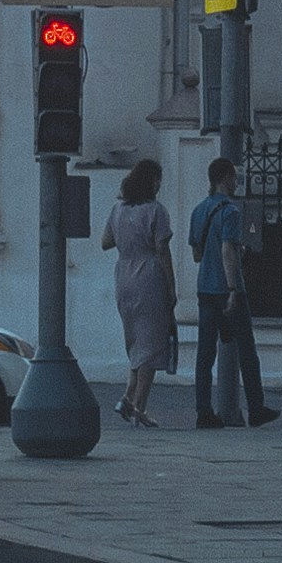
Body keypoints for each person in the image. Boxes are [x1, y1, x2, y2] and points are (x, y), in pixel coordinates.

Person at [187, 154, 278, 426]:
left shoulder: (198, 211)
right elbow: (228, 251)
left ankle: (203, 411)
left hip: (204, 287)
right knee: (246, 350)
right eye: (234, 177)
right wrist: (232, 289)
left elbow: (196, 255)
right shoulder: (230, 211)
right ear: (224, 178)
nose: (237, 182)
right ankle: (256, 407)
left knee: (205, 353)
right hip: (227, 288)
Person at [104, 158, 177, 426]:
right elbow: (162, 249)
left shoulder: (117, 210)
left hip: (123, 276)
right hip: (149, 275)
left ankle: (127, 398)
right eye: (158, 178)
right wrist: (171, 286)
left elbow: (105, 242)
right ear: (151, 181)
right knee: (150, 344)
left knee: (135, 341)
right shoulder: (157, 211)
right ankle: (139, 406)